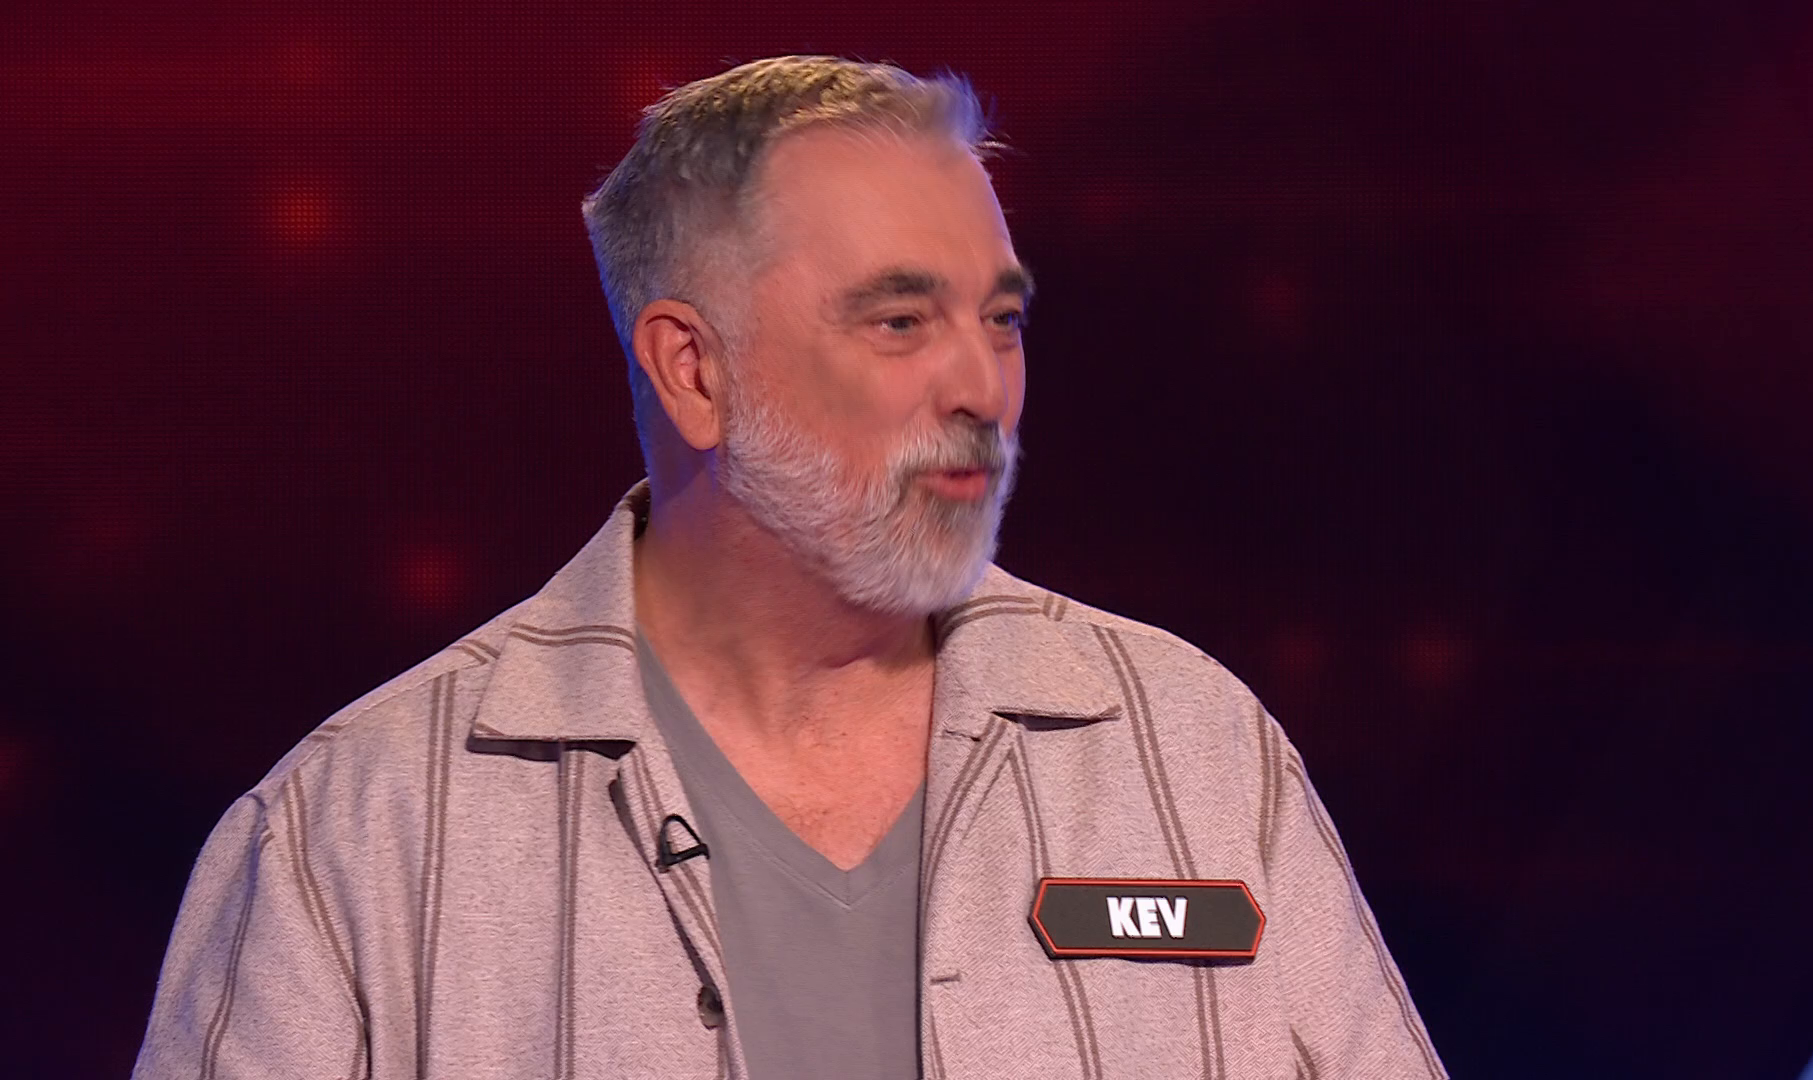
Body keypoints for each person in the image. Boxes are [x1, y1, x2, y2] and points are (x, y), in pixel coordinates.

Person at [132, 55, 1447, 1079]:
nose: (981, 387)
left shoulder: (1197, 752)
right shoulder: (348, 839)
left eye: (999, 320)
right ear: (693, 372)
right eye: (900, 320)